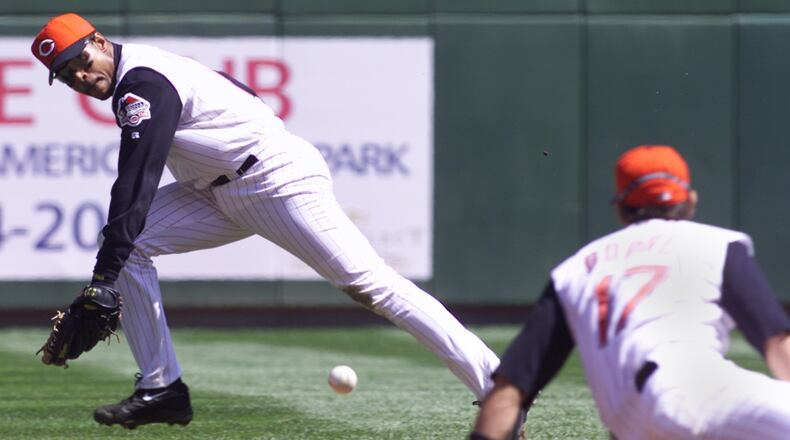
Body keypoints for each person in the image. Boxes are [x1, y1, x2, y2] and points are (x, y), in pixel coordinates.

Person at [31, 13, 501, 429]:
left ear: (98, 40)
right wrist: (108, 274)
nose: (79, 74)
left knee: (370, 284)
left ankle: (499, 387)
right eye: (65, 73)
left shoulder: (144, 83)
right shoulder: (148, 70)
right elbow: (242, 94)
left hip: (275, 179)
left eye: (80, 58)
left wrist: (101, 279)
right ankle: (162, 390)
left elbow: (137, 180)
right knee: (131, 247)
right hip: (215, 191)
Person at [470, 145, 790, 440]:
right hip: (699, 389)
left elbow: (509, 390)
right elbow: (778, 345)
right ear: (690, 200)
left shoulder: (576, 269)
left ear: (621, 209)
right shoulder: (715, 245)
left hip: (629, 425)